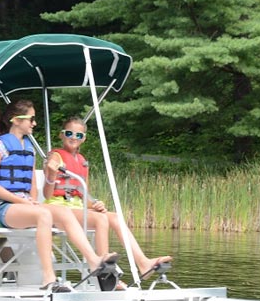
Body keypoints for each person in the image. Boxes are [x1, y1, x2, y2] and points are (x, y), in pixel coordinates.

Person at [0, 100, 117, 292]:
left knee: (63, 213)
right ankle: (48, 278)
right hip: (1, 207)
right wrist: (23, 202)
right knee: (44, 215)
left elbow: (32, 185)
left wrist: (33, 201)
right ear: (16, 119)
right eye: (31, 119)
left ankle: (94, 261)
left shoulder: (28, 148)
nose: (34, 123)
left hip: (25, 205)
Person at [42, 116, 172, 279]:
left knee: (114, 217)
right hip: (58, 209)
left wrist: (95, 204)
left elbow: (83, 196)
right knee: (100, 220)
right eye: (69, 133)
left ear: (84, 139)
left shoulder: (82, 161)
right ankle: (104, 274)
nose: (74, 138)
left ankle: (143, 263)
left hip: (76, 208)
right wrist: (51, 173)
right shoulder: (55, 156)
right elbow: (46, 194)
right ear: (61, 135)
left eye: (79, 135)